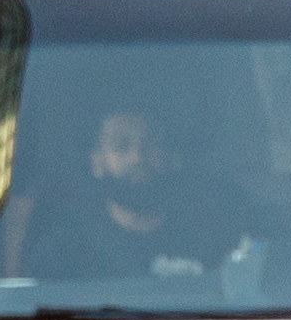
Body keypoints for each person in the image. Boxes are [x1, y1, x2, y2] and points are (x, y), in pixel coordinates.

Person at [16, 106, 245, 286]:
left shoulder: (213, 230)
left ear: (166, 154)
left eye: (150, 144)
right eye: (121, 145)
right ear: (97, 162)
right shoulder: (64, 250)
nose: (138, 157)